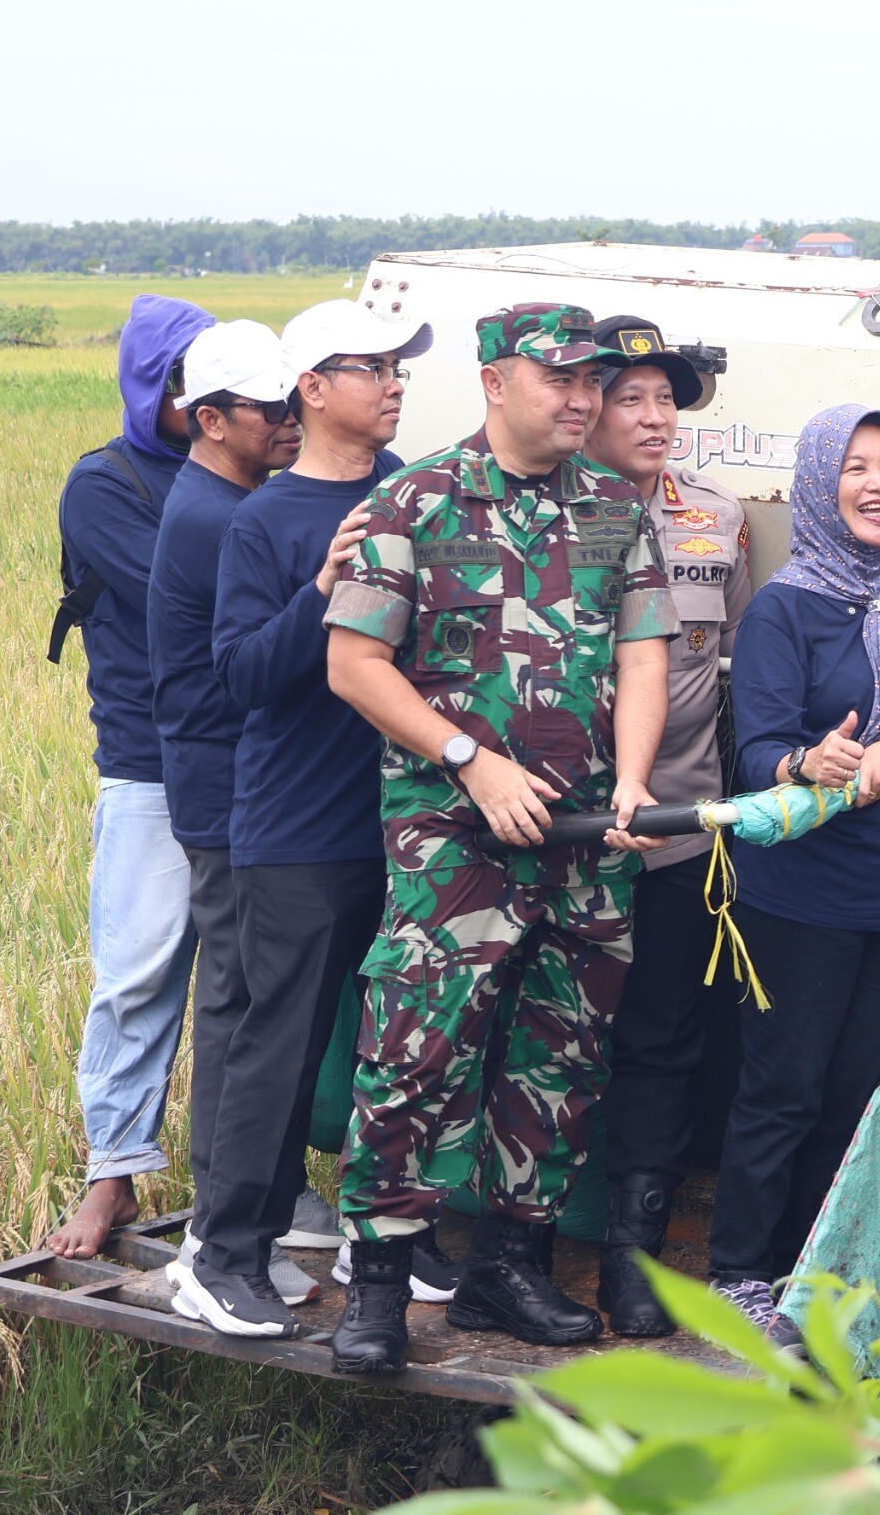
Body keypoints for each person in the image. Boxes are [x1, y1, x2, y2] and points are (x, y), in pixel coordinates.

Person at [319, 303, 673, 1374]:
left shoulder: (616, 508)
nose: (581, 399)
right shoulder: (416, 501)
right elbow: (353, 665)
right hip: (453, 837)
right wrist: (471, 758)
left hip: (584, 835)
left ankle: (508, 1267)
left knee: (561, 1056)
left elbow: (643, 654)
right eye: (559, 378)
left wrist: (636, 779)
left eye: (590, 381)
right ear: (493, 381)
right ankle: (379, 1283)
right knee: (415, 1051)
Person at [169, 302, 436, 1338]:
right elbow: (241, 674)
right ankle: (223, 1253)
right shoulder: (263, 520)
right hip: (295, 826)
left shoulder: (405, 491)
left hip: (402, 821)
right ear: (313, 389)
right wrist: (323, 584)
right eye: (372, 368)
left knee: (399, 1042)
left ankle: (387, 1238)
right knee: (276, 1047)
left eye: (399, 367)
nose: (394, 383)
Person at [711, 405, 880, 1347]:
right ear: (815, 486)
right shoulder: (785, 607)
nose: (878, 485)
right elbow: (754, 749)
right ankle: (738, 1271)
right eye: (854, 468)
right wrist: (809, 762)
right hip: (802, 896)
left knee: (856, 1093)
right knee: (785, 1088)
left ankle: (811, 1273)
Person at [578, 315, 754, 1338]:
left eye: (666, 400)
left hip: (679, 827)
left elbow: (732, 668)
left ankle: (632, 1253)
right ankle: (515, 1240)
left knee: (664, 1037)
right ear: (582, 406)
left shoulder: (716, 519)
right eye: (630, 398)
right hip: (563, 829)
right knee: (552, 1036)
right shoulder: (544, 516)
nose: (655, 418)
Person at [145, 320, 312, 1317]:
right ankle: (215, 1234)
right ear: (211, 420)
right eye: (270, 407)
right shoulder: (218, 516)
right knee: (240, 1004)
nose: (289, 420)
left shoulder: (230, 499)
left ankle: (253, 1218)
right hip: (224, 790)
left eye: (296, 401)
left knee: (250, 1000)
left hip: (237, 780)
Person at [44, 293, 210, 1260]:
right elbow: (187, 605)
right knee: (138, 972)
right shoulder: (105, 484)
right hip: (151, 761)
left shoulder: (256, 471)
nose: (202, 397)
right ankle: (111, 1171)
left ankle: (260, 1180)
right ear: (150, 384)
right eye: (183, 380)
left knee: (257, 983)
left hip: (257, 760)